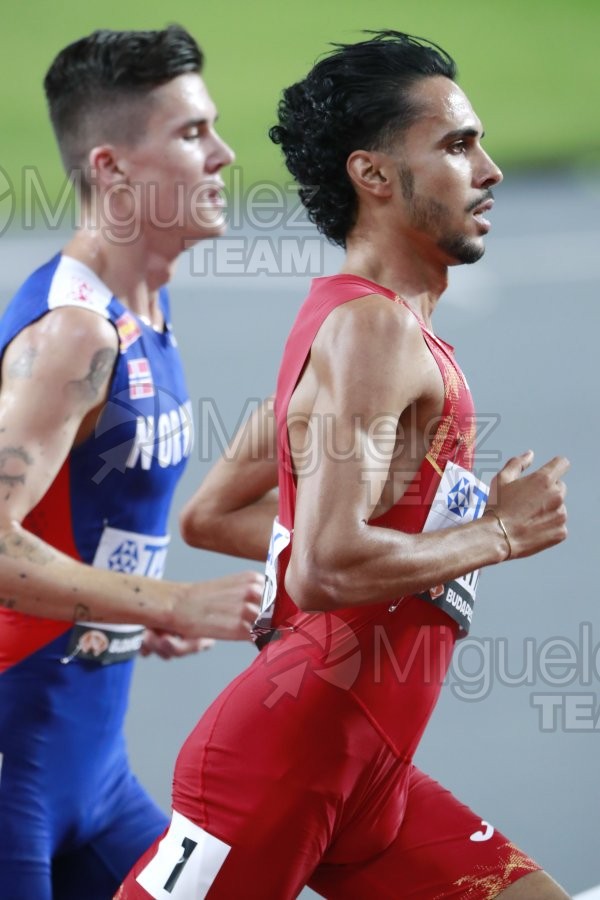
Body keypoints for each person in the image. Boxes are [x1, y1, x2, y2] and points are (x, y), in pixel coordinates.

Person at [117, 31, 570, 899]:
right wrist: (499, 534)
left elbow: (212, 514)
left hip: (370, 780)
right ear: (373, 175)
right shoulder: (372, 331)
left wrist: (407, 556)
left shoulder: (345, 320)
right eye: (455, 144)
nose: (490, 169)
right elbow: (326, 565)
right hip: (280, 768)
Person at [0, 25, 264, 900]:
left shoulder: (143, 309)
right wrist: (176, 599)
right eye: (191, 134)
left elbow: (73, 518)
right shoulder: (75, 333)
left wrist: (119, 612)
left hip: (88, 771)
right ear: (112, 169)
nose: (223, 154)